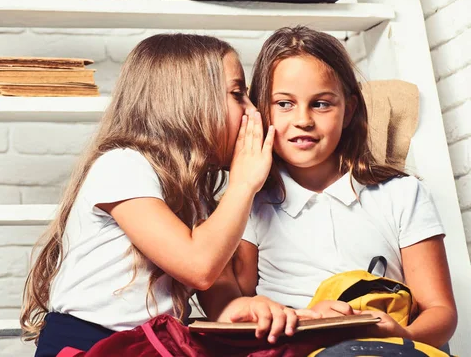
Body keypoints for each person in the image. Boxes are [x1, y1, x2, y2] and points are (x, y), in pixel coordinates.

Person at [19, 33, 278, 356]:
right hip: (88, 346)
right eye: (238, 94)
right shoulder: (122, 165)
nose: (253, 112)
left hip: (147, 345)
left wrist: (253, 309)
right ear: (188, 101)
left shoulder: (190, 192)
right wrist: (243, 183)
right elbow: (199, 266)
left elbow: (219, 299)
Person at [199, 26, 457, 349]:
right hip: (295, 346)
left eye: (321, 104)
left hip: (389, 347)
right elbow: (230, 300)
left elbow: (441, 312)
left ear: (348, 110)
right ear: (261, 110)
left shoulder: (402, 194)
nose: (303, 119)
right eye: (284, 104)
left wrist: (402, 334)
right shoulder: (250, 204)